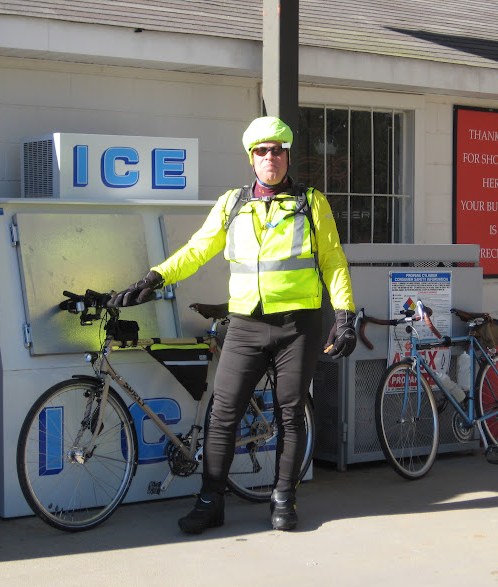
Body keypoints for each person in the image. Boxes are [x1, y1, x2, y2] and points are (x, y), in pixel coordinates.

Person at [109, 116, 356, 533]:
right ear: (251, 158)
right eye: (262, 151)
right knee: (222, 413)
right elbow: (198, 249)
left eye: (277, 150)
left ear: (287, 156)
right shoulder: (232, 203)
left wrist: (345, 315)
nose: (270, 157)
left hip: (298, 326)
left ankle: (283, 498)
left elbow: (333, 261)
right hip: (245, 324)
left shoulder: (312, 202)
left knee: (289, 414)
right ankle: (210, 502)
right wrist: (155, 278)